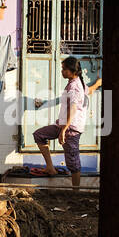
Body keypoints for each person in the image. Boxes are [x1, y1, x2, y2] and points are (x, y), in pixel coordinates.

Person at [32, 56, 86, 188]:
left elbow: (73, 109)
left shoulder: (75, 87)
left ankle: (76, 192)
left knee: (73, 162)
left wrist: (64, 130)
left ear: (72, 71)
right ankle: (50, 168)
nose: (62, 71)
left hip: (71, 128)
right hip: (62, 125)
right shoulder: (74, 83)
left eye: (64, 69)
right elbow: (90, 89)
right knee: (39, 135)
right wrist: (99, 83)